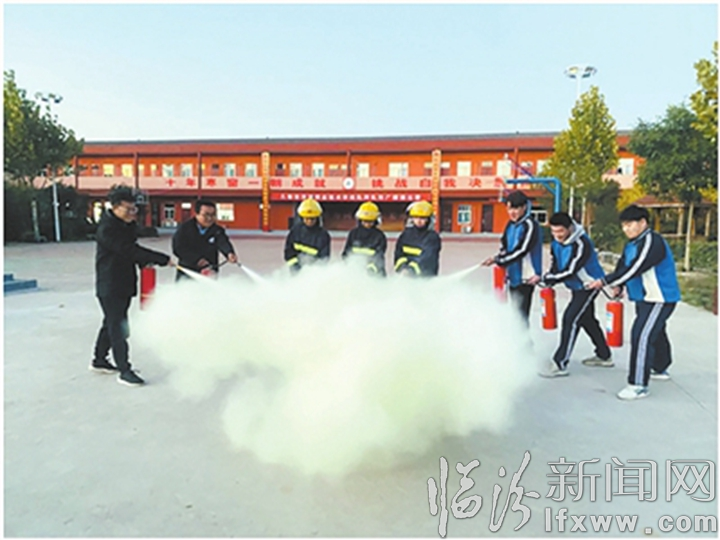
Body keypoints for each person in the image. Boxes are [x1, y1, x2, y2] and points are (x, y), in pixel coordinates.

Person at [587, 204, 681, 400]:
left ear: (643, 223)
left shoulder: (652, 241)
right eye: (624, 225)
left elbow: (636, 267)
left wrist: (604, 281)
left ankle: (638, 384)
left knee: (641, 335)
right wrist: (619, 285)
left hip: (659, 297)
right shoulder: (632, 244)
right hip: (643, 297)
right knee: (656, 331)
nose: (626, 229)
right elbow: (624, 265)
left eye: (630, 224)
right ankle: (660, 367)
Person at [92, 185, 173, 386]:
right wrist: (162, 258)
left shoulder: (125, 226)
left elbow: (133, 252)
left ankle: (99, 360)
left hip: (125, 282)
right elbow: (128, 250)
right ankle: (124, 370)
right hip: (110, 285)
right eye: (128, 209)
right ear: (114, 207)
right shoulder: (107, 229)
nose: (132, 213)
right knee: (118, 327)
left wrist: (147, 263)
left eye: (134, 209)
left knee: (111, 322)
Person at [538, 212, 612, 378]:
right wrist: (549, 278)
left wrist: (551, 278)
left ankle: (560, 363)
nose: (557, 235)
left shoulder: (582, 242)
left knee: (570, 319)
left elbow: (572, 268)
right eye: (554, 232)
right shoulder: (556, 243)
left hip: (589, 284)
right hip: (575, 286)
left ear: (570, 228)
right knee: (587, 319)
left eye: (561, 231)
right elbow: (556, 264)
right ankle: (604, 355)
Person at [482, 190, 542, 324]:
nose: (512, 212)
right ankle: (518, 337)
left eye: (515, 208)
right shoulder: (510, 225)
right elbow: (504, 245)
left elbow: (522, 250)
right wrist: (498, 257)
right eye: (509, 209)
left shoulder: (530, 225)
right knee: (515, 314)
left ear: (524, 207)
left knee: (521, 316)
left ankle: (524, 338)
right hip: (513, 276)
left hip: (527, 277)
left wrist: (499, 260)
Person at [172, 199, 238, 280]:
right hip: (188, 272)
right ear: (196, 214)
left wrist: (229, 253)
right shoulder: (184, 229)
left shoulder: (217, 230)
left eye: (213, 215)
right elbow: (178, 248)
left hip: (209, 272)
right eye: (206, 215)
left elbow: (223, 242)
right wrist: (197, 260)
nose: (209, 218)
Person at [393, 200, 441, 277]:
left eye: (422, 218)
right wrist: (402, 268)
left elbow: (427, 258)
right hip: (405, 276)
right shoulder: (405, 235)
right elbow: (398, 255)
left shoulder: (432, 237)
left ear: (429, 219)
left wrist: (411, 270)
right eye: (415, 217)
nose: (418, 221)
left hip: (425, 278)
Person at [284, 198, 331, 273]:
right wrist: (295, 266)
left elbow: (324, 258)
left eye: (312, 219)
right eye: (307, 218)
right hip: (295, 271)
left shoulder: (323, 236)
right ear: (302, 217)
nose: (309, 221)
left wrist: (312, 271)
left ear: (317, 218)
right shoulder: (295, 232)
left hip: (314, 273)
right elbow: (288, 251)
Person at [342, 201, 387, 276]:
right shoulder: (353, 234)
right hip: (355, 273)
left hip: (374, 274)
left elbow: (379, 256)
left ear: (376, 221)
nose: (367, 224)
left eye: (370, 221)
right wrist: (351, 266)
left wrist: (371, 268)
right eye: (365, 221)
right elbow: (346, 253)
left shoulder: (379, 236)